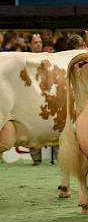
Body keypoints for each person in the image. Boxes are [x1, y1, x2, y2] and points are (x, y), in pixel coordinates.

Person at [29, 33, 43, 165]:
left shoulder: (49, 59)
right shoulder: (25, 60)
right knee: (32, 128)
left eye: (40, 42)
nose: (38, 44)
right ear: (30, 44)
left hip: (48, 97)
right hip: (31, 98)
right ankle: (36, 160)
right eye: (36, 42)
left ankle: (57, 158)